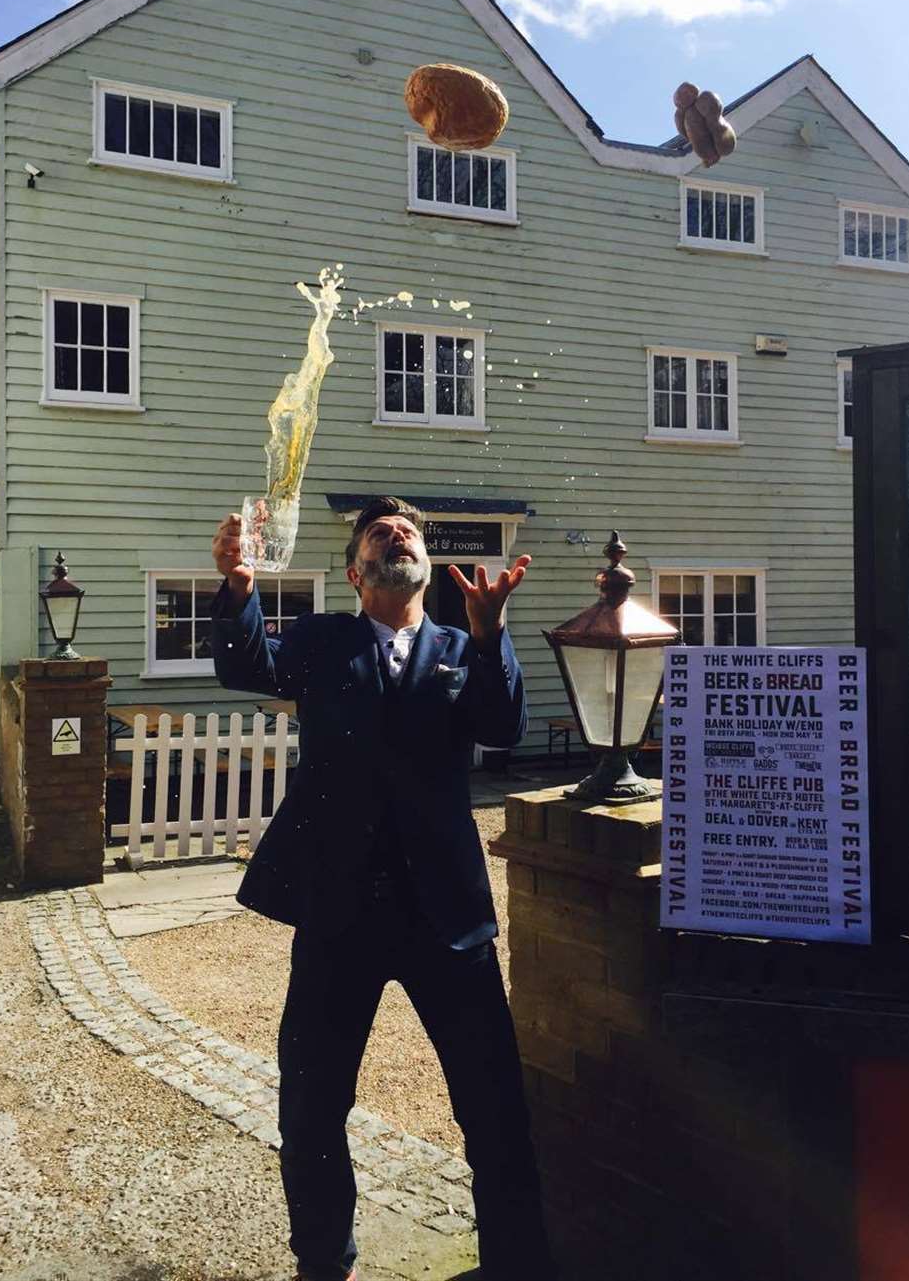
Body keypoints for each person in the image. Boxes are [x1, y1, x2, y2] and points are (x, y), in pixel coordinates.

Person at [210, 496, 556, 1281]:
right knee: (312, 1109)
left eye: (408, 531)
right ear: (355, 570)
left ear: (426, 566)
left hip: (448, 918)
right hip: (339, 913)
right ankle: (324, 1264)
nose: (397, 535)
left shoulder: (461, 646)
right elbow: (245, 664)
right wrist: (237, 587)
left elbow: (504, 726)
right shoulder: (321, 639)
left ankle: (517, 1266)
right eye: (380, 531)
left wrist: (491, 631)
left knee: (495, 1110)